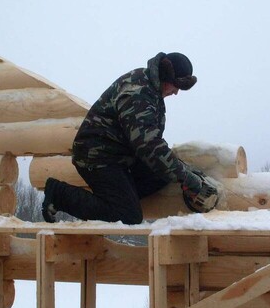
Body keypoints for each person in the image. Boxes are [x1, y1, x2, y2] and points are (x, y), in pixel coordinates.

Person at [41, 52, 204, 224]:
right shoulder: (138, 92)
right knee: (128, 215)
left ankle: (122, 196)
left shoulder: (152, 89)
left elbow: (151, 142)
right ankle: (58, 194)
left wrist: (184, 171)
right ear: (165, 76)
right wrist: (185, 176)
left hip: (120, 155)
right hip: (97, 156)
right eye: (176, 85)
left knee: (162, 174)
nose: (176, 92)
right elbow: (148, 145)